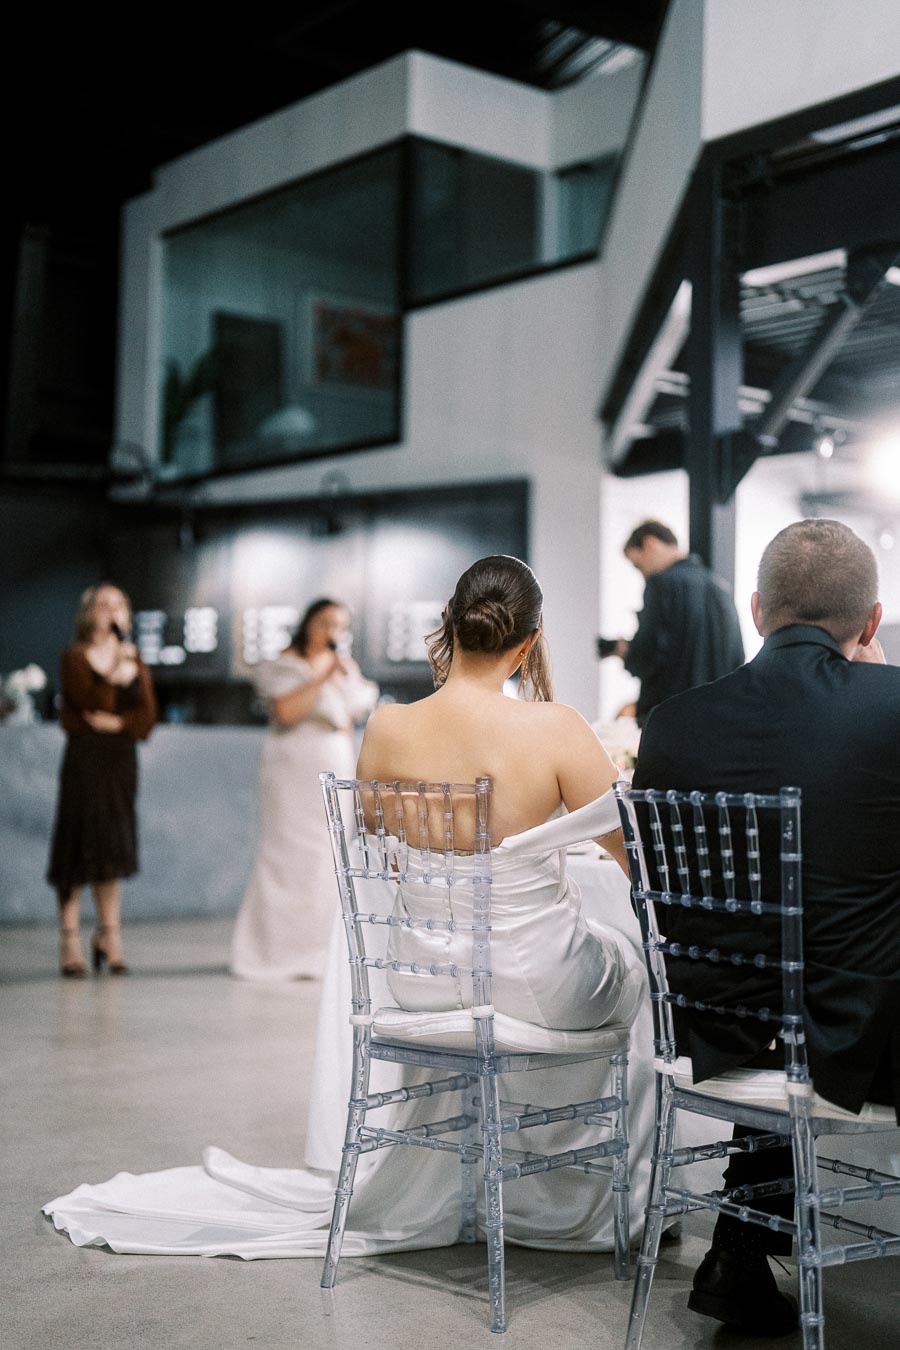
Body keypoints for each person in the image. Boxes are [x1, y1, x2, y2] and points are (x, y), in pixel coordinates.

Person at [43, 556, 658, 1259]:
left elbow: (388, 850)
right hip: (528, 978)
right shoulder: (556, 727)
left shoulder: (389, 727)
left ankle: (486, 1182)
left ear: (449, 628)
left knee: (562, 977)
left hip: (417, 979)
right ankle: (568, 1195)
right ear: (529, 641)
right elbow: (631, 856)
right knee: (632, 970)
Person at [632, 518, 900, 1336]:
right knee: (841, 962)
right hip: (861, 1044)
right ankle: (745, 1244)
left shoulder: (672, 723)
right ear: (873, 622)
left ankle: (740, 1243)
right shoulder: (889, 704)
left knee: (791, 967)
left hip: (717, 1030)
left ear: (755, 610)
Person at [230, 598, 378, 981]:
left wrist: (342, 679)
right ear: (309, 623)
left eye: (340, 625)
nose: (333, 631)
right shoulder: (284, 664)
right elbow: (287, 712)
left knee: (326, 855)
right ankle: (271, 952)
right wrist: (323, 677)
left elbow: (356, 709)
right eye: (326, 622)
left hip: (333, 759)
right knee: (285, 854)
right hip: (290, 766)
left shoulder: (345, 669)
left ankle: (318, 951)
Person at [47, 584, 157, 977]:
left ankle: (110, 936)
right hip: (84, 761)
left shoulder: (135, 659)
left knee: (111, 847)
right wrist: (116, 672)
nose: (111, 611)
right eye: (103, 603)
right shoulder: (75, 657)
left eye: (119, 604)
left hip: (120, 763)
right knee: (77, 848)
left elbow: (145, 719)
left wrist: (119, 723)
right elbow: (92, 701)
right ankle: (70, 940)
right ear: (89, 612)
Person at [599, 519, 745, 724]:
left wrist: (626, 651)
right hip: (718, 720)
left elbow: (649, 654)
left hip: (674, 720)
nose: (642, 573)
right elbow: (737, 659)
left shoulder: (662, 584)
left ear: (650, 543)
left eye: (637, 565)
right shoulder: (720, 587)